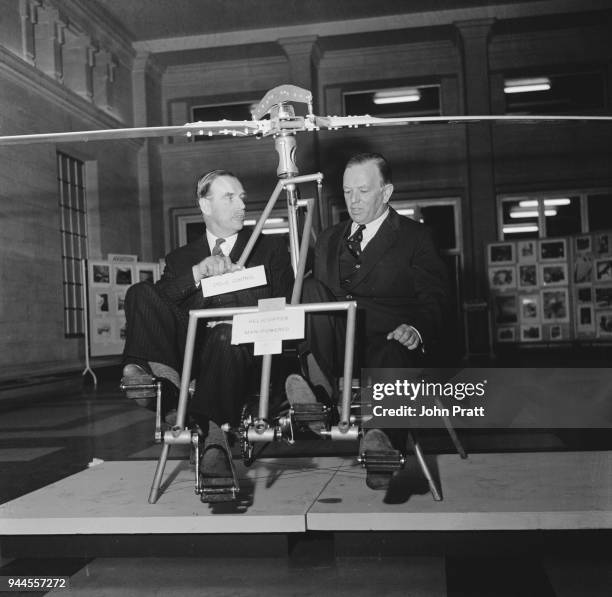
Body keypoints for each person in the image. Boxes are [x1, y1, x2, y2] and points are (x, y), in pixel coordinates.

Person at [288, 152, 451, 488]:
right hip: (334, 347)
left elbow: (437, 299)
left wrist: (416, 329)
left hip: (388, 343)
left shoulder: (415, 237)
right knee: (307, 288)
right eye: (348, 192)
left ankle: (380, 442)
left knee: (391, 354)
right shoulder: (330, 239)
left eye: (363, 191)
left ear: (386, 192)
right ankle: (319, 398)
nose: (353, 200)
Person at [121, 169, 293, 485]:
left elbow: (284, 307)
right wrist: (198, 274)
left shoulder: (269, 250)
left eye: (242, 197)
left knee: (225, 335)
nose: (241, 205)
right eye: (229, 197)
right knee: (139, 292)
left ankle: (200, 427)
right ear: (205, 205)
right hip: (194, 356)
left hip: (246, 352)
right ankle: (155, 377)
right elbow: (163, 303)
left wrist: (236, 287)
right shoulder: (180, 258)